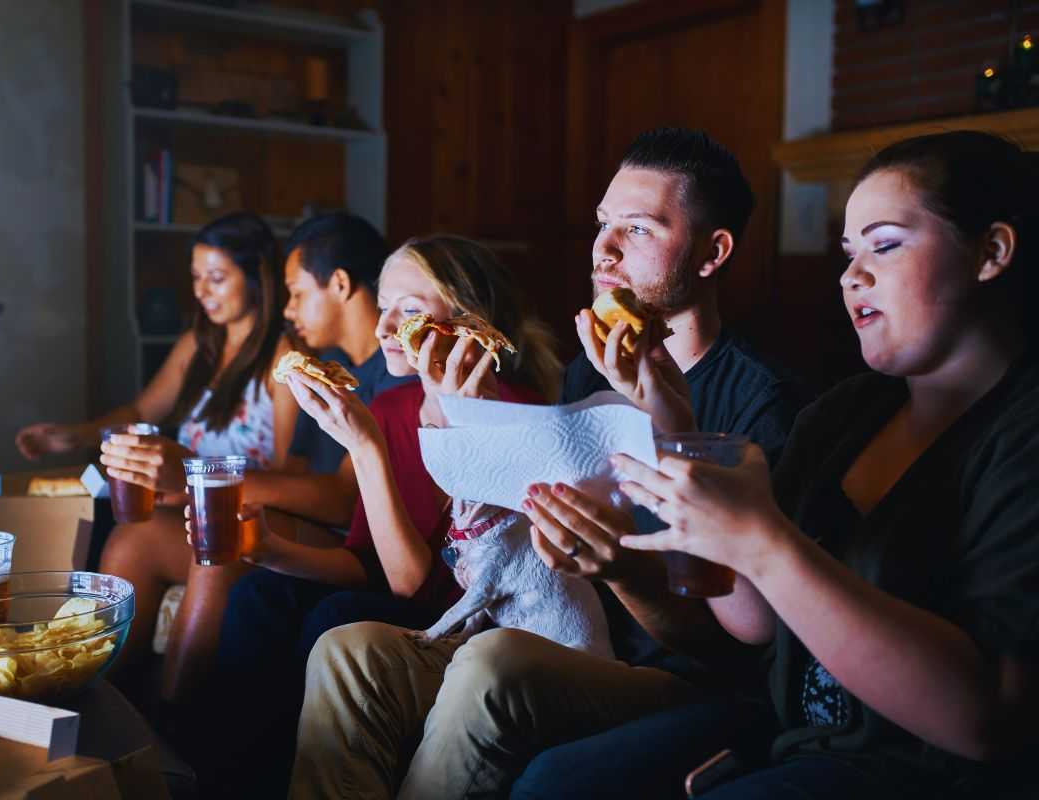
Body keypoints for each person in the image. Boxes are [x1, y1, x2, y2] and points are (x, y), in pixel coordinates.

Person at [288, 128, 809, 799]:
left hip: (678, 676)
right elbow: (510, 554)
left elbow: (738, 643)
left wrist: (620, 565)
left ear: (712, 253)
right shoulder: (578, 376)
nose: (606, 248)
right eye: (603, 224)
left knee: (492, 662)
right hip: (567, 639)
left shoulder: (759, 403)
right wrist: (465, 421)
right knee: (348, 650)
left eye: (640, 229)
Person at [522, 131, 1039, 798]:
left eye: (885, 245)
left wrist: (766, 542)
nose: (852, 275)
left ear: (990, 253)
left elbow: (986, 720)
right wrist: (672, 421)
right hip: (792, 732)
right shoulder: (843, 416)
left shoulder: (1019, 434)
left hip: (926, 773)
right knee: (554, 783)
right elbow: (751, 622)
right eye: (848, 253)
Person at [191, 234, 561, 798]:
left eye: (409, 311)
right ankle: (225, 783)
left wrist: (363, 450)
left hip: (469, 623)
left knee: (336, 616)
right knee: (257, 594)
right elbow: (364, 560)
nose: (385, 326)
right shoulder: (390, 407)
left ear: (467, 325)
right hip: (403, 592)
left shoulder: (518, 415)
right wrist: (266, 549)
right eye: (384, 306)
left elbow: (411, 584)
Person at [158, 212, 416, 707]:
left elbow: (345, 502)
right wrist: (183, 488)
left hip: (353, 543)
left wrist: (201, 472)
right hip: (308, 524)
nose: (288, 310)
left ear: (338, 284)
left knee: (223, 544)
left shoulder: (392, 377)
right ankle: (121, 724)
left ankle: (177, 737)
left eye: (297, 294)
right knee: (138, 534)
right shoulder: (322, 370)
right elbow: (289, 472)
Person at [48, 213, 299, 675]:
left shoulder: (284, 359)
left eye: (217, 278)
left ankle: (174, 721)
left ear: (257, 277)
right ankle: (112, 697)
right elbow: (143, 412)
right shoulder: (198, 343)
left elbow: (288, 473)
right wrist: (76, 435)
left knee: (157, 539)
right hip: (185, 513)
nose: (202, 291)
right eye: (196, 278)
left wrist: (197, 474)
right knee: (127, 536)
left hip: (250, 517)